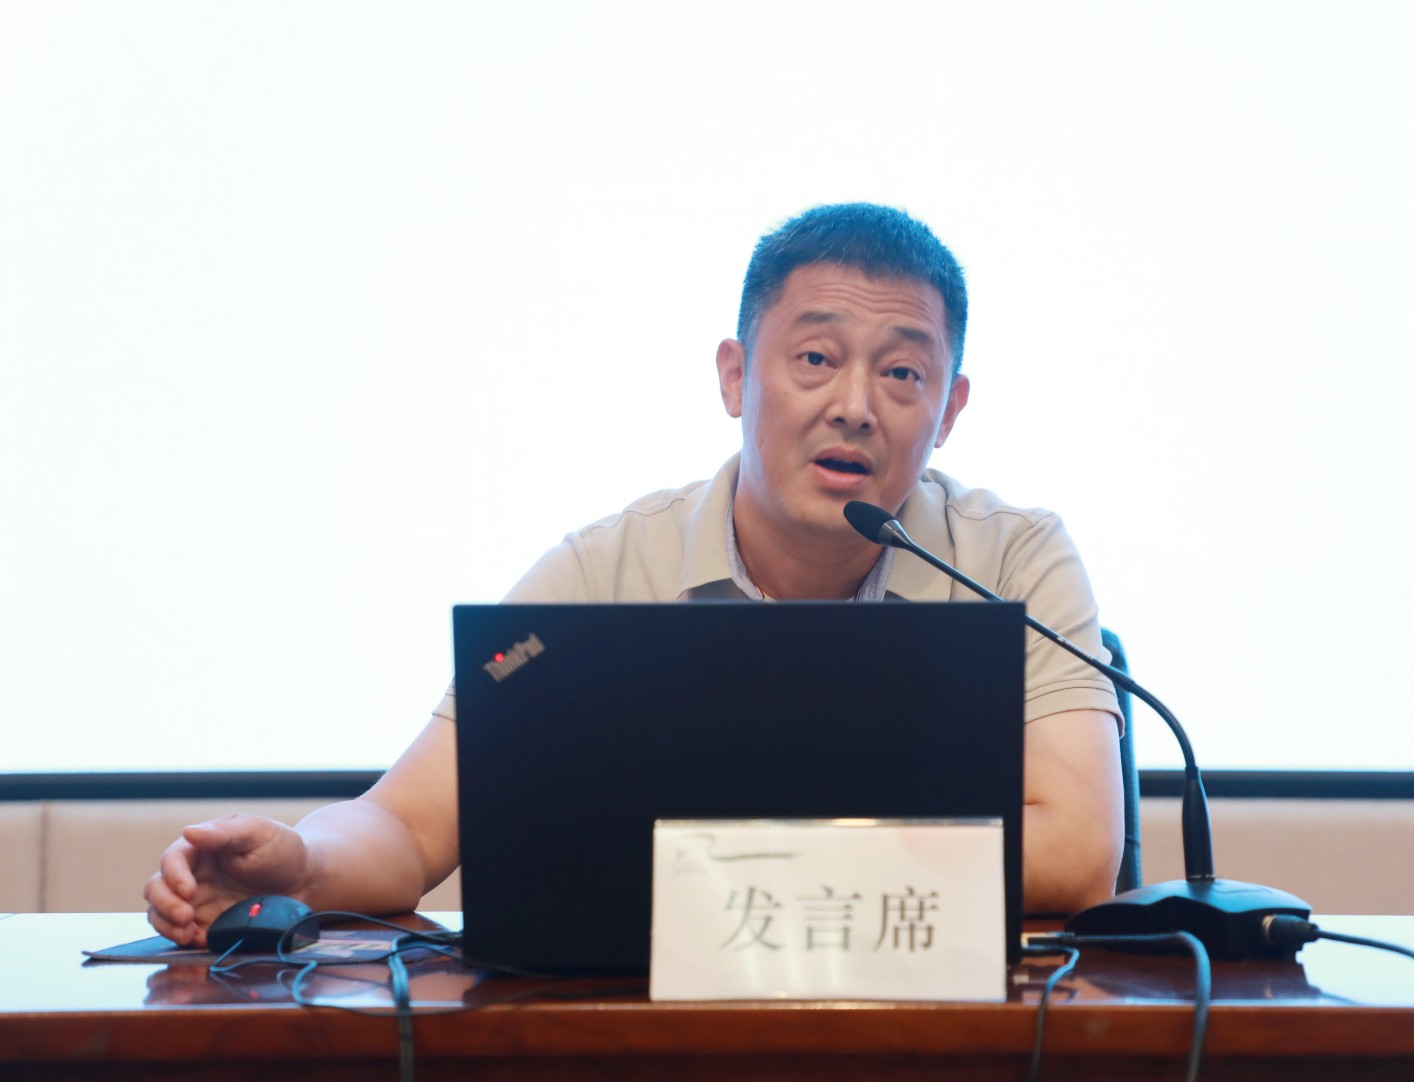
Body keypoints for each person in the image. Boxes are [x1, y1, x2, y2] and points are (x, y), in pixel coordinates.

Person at [145, 203, 1125, 946]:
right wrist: (301, 866)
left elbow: (1080, 851)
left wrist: (731, 868)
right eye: (816, 358)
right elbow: (408, 823)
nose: (855, 405)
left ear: (948, 408)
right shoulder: (605, 569)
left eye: (902, 373)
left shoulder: (1014, 558)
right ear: (736, 375)